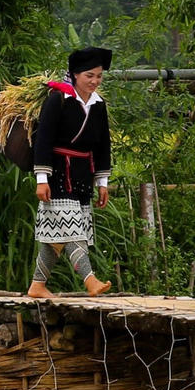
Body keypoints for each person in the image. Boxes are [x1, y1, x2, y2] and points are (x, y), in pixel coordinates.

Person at [26, 47, 114, 298]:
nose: (95, 81)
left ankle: (37, 285)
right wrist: (41, 179)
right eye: (89, 75)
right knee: (73, 229)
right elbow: (43, 140)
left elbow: (103, 145)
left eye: (99, 76)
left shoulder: (98, 105)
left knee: (58, 236)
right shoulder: (58, 99)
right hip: (56, 175)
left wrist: (102, 182)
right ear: (75, 74)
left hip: (82, 175)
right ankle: (90, 280)